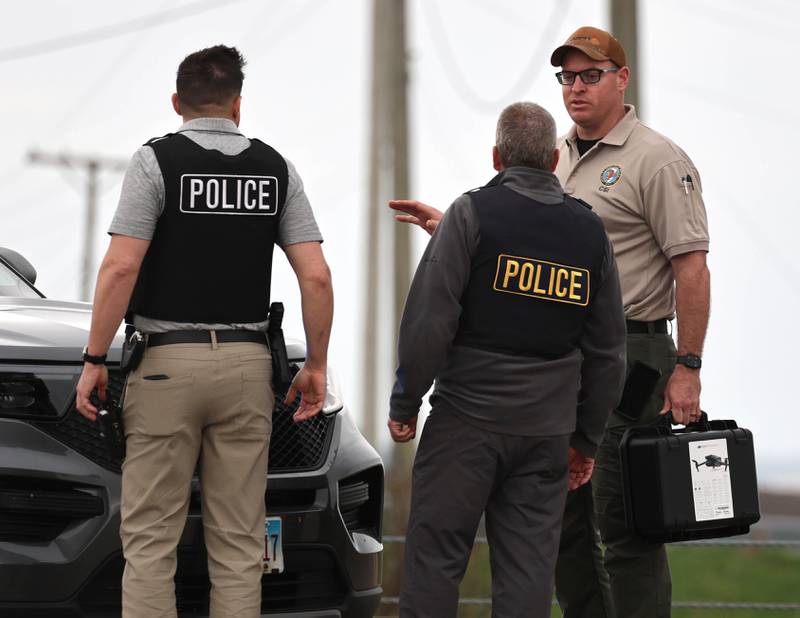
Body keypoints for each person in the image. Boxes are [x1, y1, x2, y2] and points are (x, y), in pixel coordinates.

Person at [389, 26, 711, 618]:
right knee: (560, 534)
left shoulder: (657, 159)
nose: (576, 88)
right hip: (561, 372)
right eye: (567, 77)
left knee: (626, 526)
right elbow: (527, 245)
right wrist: (454, 235)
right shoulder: (556, 156)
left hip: (633, 354)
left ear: (621, 78)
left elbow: (690, 268)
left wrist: (687, 365)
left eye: (591, 75)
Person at [75, 45, 333, 618]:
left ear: (176, 102)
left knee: (150, 541)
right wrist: (314, 365)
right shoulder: (275, 167)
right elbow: (315, 275)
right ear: (238, 105)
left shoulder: (156, 162)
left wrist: (95, 357)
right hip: (247, 370)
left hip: (165, 367)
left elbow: (121, 266)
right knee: (240, 543)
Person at [388, 101, 626, 618]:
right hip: (546, 436)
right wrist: (585, 440)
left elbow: (430, 321)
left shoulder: (471, 214)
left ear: (497, 157)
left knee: (434, 564)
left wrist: (405, 401)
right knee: (527, 576)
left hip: (464, 427)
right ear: (554, 158)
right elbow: (608, 352)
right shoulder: (590, 234)